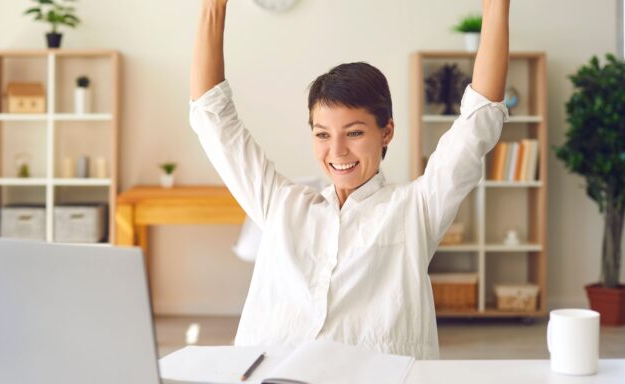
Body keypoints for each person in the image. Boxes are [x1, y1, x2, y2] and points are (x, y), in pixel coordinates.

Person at [189, 0, 510, 359]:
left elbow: (480, 119)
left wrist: (496, 7)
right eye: (322, 135)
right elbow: (211, 117)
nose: (337, 151)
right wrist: (212, 7)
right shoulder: (282, 204)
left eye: (354, 133)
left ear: (386, 132)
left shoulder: (415, 208)